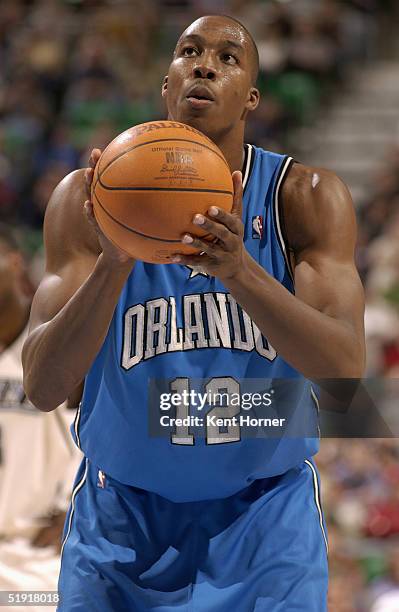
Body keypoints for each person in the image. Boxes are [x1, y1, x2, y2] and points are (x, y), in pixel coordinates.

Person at [22, 14, 365, 612]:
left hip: (262, 523)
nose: (205, 64)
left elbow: (344, 375)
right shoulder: (86, 200)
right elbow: (42, 385)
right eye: (189, 51)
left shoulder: (301, 199)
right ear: (167, 85)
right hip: (121, 520)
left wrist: (241, 273)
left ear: (252, 97)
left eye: (228, 57)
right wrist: (113, 266)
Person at [0, 224, 81, 608]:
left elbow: (94, 433)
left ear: (15, 261)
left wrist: (71, 507)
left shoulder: (52, 347)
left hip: (36, 556)